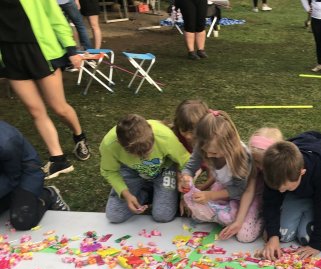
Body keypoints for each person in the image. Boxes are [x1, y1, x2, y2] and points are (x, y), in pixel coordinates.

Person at [0, 0, 91, 180]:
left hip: (40, 51)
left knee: (59, 107)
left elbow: (55, 17)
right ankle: (58, 159)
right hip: (10, 55)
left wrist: (71, 50)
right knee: (35, 111)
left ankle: (79, 137)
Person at [261, 131, 321, 260]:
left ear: (302, 173)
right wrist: (273, 236)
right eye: (277, 188)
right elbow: (270, 201)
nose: (280, 191)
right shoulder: (274, 169)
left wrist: (316, 244)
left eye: (286, 187)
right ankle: (299, 202)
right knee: (283, 235)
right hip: (300, 193)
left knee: (306, 238)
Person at [179, 110, 263, 242]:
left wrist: (210, 196)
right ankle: (224, 213)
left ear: (228, 147)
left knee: (244, 236)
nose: (208, 156)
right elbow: (190, 168)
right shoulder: (204, 145)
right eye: (205, 151)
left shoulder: (241, 157)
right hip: (225, 186)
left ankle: (260, 216)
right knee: (198, 210)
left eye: (214, 153)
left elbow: (240, 190)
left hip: (248, 193)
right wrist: (186, 177)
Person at [100, 114, 190, 223]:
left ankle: (158, 193)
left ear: (152, 132)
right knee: (115, 215)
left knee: (163, 215)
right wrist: (126, 195)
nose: (145, 158)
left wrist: (184, 181)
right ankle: (148, 194)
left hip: (164, 170)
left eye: (148, 151)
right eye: (137, 154)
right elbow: (110, 171)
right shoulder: (109, 144)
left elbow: (187, 161)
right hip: (131, 171)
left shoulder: (164, 136)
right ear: (119, 143)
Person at [216, 126, 284, 242]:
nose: (260, 167)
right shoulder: (252, 165)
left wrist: (271, 228)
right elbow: (249, 191)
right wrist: (239, 221)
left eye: (264, 163)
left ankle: (262, 220)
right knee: (235, 216)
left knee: (244, 236)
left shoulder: (280, 170)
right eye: (256, 161)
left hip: (266, 201)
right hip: (252, 195)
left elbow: (277, 200)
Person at [0, 121, 69, 231]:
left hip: (24, 173)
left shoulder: (6, 142)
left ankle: (48, 194)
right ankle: (13, 200)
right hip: (5, 176)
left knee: (22, 220)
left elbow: (13, 178)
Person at [170, 99, 215, 191]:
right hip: (189, 160)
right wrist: (183, 178)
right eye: (183, 130)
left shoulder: (211, 134)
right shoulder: (175, 134)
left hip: (207, 159)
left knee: (212, 168)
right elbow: (180, 164)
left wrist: (203, 187)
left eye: (191, 132)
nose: (188, 136)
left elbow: (216, 168)